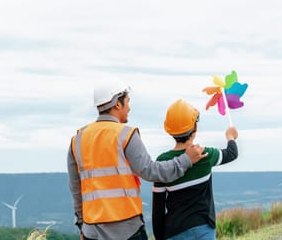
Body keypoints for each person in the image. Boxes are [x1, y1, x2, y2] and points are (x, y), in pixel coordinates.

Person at [67, 82, 208, 240]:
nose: (129, 107)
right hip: (128, 230)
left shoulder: (77, 140)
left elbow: (76, 189)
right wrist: (186, 160)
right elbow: (151, 171)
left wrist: (81, 224)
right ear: (117, 104)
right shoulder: (125, 135)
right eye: (127, 102)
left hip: (91, 232)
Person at [152, 99, 239, 240]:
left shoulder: (162, 161)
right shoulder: (205, 155)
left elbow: (158, 208)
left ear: (169, 130)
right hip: (203, 228)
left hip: (174, 230)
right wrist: (230, 137)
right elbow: (231, 153)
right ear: (195, 128)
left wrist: (159, 237)